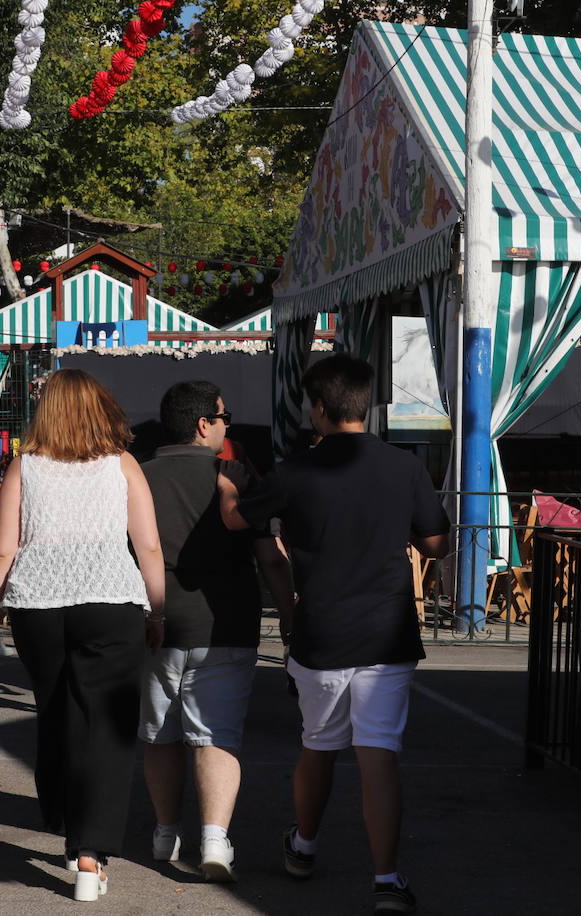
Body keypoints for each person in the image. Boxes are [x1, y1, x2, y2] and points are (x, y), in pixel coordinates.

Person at [216, 354, 450, 916]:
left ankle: (304, 846)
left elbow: (235, 521)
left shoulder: (296, 471)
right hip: (389, 630)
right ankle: (387, 880)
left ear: (319, 408)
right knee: (380, 755)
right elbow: (438, 544)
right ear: (364, 405)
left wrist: (229, 485)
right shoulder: (404, 467)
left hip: (321, 630)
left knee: (318, 746)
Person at [0, 368, 165, 903]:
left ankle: (62, 818)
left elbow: (3, 549)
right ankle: (90, 853)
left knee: (57, 713)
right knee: (107, 725)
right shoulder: (122, 465)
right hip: (111, 600)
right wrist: (158, 611)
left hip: (39, 604)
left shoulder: (23, 467)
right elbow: (147, 546)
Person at [139, 382, 294, 881]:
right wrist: (290, 615)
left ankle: (165, 833)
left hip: (152, 625)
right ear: (204, 424)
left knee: (159, 735)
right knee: (216, 737)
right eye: (225, 417)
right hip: (225, 622)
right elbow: (270, 558)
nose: (228, 426)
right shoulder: (235, 478)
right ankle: (213, 840)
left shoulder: (137, 478)